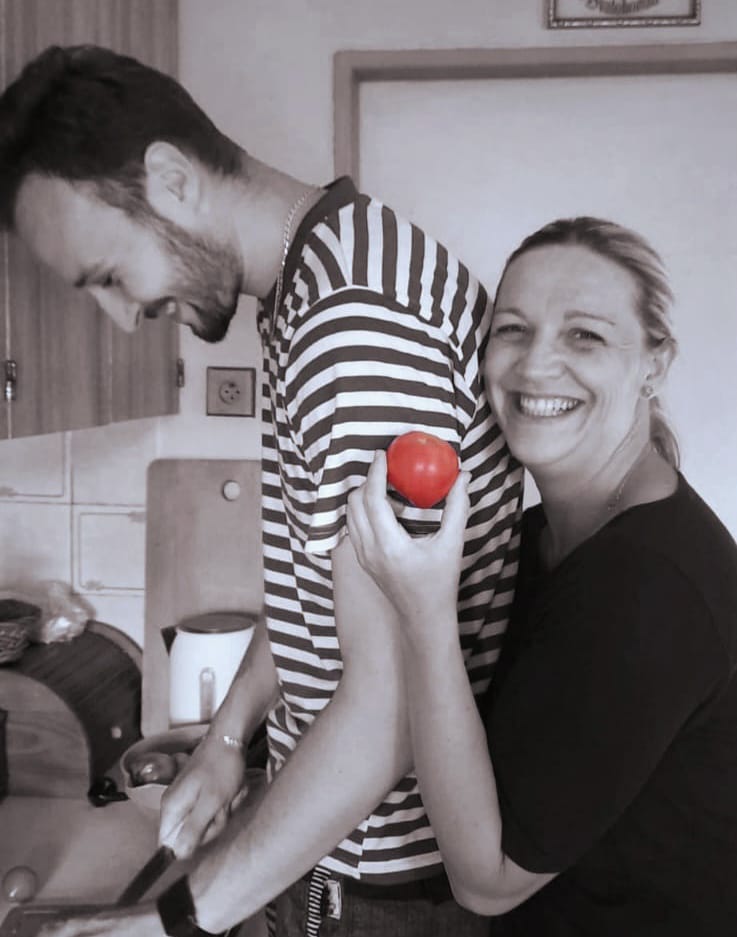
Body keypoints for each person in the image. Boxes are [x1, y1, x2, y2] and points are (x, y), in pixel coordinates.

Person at [0, 44, 523, 937]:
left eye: (110, 276)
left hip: (386, 888)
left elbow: (390, 711)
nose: (122, 318)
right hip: (347, 860)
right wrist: (228, 736)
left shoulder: (352, 324)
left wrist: (166, 924)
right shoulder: (319, 286)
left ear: (172, 178)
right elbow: (319, 595)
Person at [346, 216, 737, 936]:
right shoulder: (538, 538)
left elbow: (487, 880)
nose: (534, 366)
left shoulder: (650, 589)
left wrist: (425, 614)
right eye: (513, 330)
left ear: (654, 365)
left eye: (584, 335)